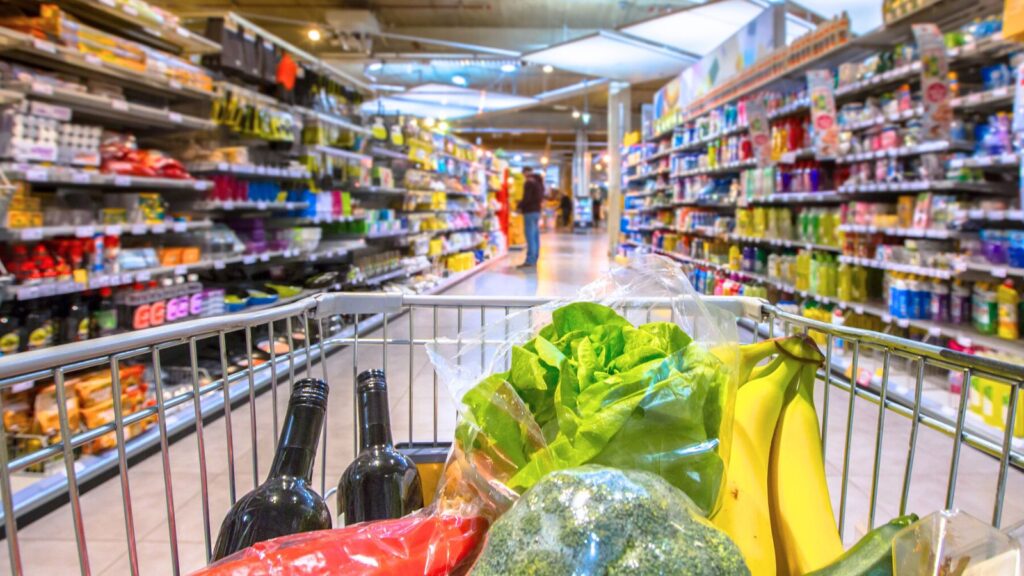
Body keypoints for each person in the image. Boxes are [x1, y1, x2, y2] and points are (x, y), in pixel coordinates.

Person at [518, 167, 543, 268]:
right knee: (535, 236)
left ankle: (530, 260)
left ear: (526, 173)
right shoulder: (539, 182)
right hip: (537, 211)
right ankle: (534, 258)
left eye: (523, 174)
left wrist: (519, 206)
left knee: (530, 236)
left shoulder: (529, 183)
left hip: (529, 212)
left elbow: (527, 198)